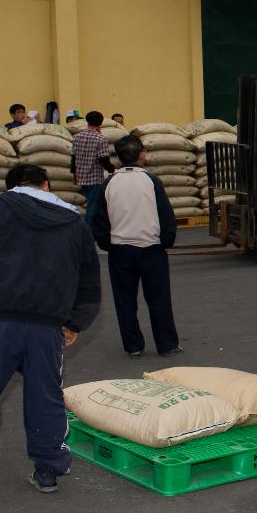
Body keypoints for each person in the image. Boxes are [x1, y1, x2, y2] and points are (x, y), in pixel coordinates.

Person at [0, 163, 101, 502]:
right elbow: (88, 277)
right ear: (45, 184)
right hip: (46, 327)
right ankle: (48, 471)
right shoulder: (73, 221)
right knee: (46, 398)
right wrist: (74, 322)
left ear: (11, 187)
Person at [91, 135, 182, 356]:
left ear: (120, 157)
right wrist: (166, 241)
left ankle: (133, 346)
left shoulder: (109, 183)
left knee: (125, 301)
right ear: (141, 154)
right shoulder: (151, 181)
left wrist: (107, 244)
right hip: (151, 249)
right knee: (159, 299)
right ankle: (167, 344)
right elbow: (166, 216)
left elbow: (98, 219)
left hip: (120, 251)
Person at [70, 110, 116, 228]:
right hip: (94, 179)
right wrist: (113, 171)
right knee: (92, 207)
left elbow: (73, 157)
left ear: (87, 121)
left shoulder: (77, 137)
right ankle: (88, 232)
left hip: (80, 177)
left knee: (89, 204)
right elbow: (103, 160)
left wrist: (74, 174)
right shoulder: (100, 139)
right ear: (101, 122)